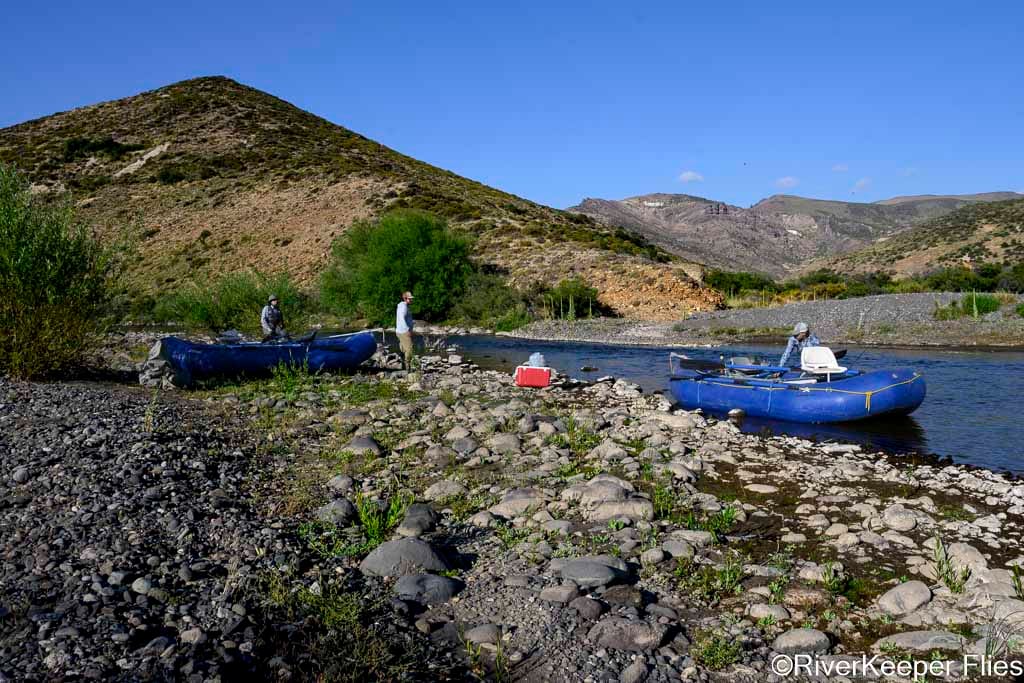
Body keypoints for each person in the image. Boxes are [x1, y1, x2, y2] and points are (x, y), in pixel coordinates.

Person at [395, 290, 415, 369]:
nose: (411, 300)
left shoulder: (404, 306)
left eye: (411, 298)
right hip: (404, 332)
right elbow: (401, 318)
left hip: (401, 331)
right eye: (409, 299)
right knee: (409, 350)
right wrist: (407, 329)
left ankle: (403, 366)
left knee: (403, 349)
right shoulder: (403, 307)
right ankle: (407, 367)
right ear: (405, 298)